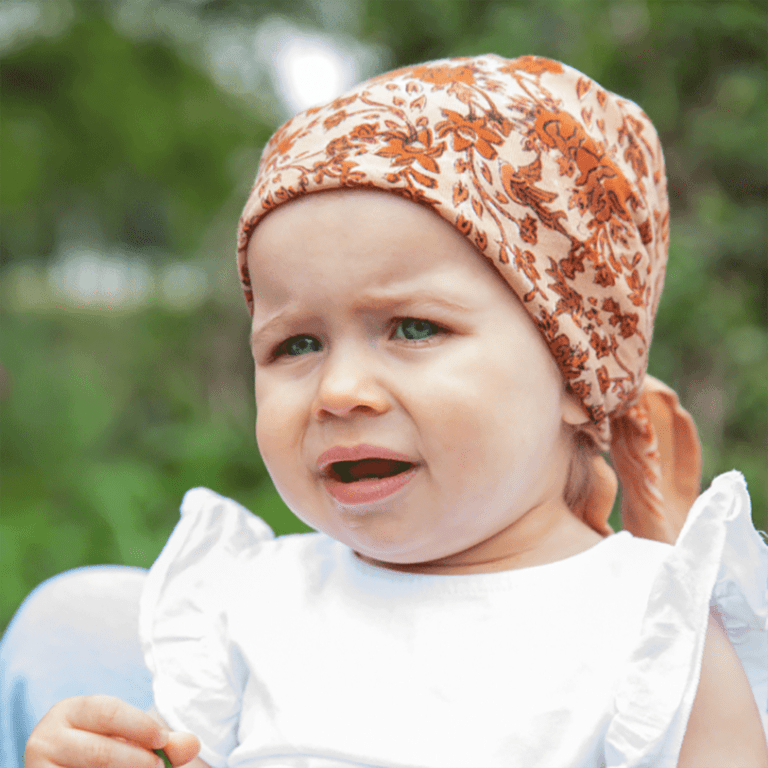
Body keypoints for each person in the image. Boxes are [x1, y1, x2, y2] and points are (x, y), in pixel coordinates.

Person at [12, 54, 768, 767]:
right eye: (296, 344)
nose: (340, 391)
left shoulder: (653, 632)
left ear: (577, 370)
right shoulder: (250, 604)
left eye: (413, 329)